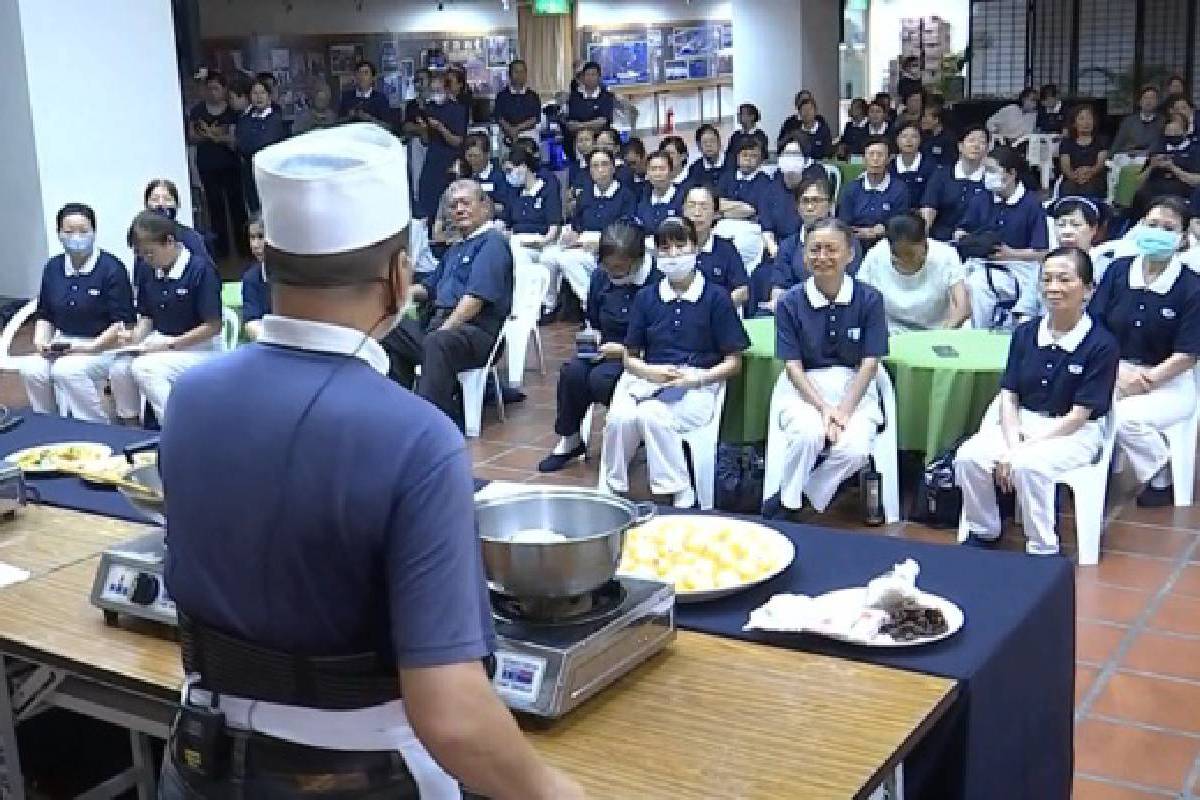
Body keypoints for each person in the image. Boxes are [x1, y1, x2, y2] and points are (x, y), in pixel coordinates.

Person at [158, 123, 583, 800]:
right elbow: (451, 715)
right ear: (398, 274)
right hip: (353, 776)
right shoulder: (414, 439)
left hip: (196, 762)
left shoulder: (190, 397)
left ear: (268, 265)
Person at [954, 247, 1119, 555]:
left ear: (1088, 289)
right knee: (968, 456)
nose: (1053, 288)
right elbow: (1009, 394)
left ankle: (1043, 547)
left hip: (1073, 432)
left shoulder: (1102, 344)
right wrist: (1013, 439)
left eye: (1064, 280)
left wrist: (1020, 451)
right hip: (1021, 422)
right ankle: (984, 530)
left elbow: (1079, 416)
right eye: (1047, 280)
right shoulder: (1026, 332)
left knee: (1029, 466)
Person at [602, 217, 749, 509]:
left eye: (680, 246)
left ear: (695, 248)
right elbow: (630, 356)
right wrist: (648, 371)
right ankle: (612, 486)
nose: (673, 255)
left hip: (697, 383)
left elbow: (734, 362)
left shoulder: (716, 298)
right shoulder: (647, 298)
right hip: (649, 377)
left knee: (652, 415)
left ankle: (679, 490)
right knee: (620, 419)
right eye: (664, 248)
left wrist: (697, 379)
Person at [762, 218, 888, 519]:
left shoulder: (870, 299)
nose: (822, 257)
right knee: (808, 435)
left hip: (855, 387)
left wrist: (842, 411)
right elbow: (792, 365)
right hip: (806, 386)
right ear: (804, 256)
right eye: (814, 250)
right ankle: (789, 505)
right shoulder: (790, 302)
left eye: (831, 249)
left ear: (850, 254)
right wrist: (823, 409)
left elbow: (870, 362)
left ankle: (805, 494)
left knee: (855, 450)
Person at [1089, 197, 1200, 507]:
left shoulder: (1192, 287)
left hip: (1170, 382)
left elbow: (1188, 354)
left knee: (1124, 418)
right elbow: (1096, 325)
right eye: (1152, 225)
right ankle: (1090, 474)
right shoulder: (1118, 271)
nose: (1158, 232)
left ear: (1182, 238)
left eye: (1168, 228)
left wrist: (1146, 380)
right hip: (1113, 369)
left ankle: (1160, 471)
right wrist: (1117, 370)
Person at [383, 179, 513, 428]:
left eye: (466, 203)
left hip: (476, 332)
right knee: (390, 327)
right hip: (439, 326)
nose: (459, 210)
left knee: (436, 342)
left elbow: (474, 300)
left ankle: (431, 423)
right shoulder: (456, 248)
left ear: (485, 207)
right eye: (453, 206)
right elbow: (429, 288)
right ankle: (399, 408)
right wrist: (397, 294)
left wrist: (444, 328)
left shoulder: (492, 244)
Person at [538, 224, 658, 472]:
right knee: (572, 371)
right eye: (608, 266)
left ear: (637, 261)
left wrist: (624, 351)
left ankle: (631, 436)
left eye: (619, 268)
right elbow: (592, 318)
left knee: (601, 379)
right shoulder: (601, 277)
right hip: (605, 347)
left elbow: (660, 336)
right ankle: (570, 439)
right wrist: (590, 338)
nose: (613, 273)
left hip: (642, 355)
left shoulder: (655, 284)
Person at [18, 203, 134, 422]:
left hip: (104, 347)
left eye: (83, 231)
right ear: (59, 234)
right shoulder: (53, 267)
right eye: (69, 232)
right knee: (32, 369)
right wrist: (41, 341)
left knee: (67, 370)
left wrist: (90, 348)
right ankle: (48, 423)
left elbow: (123, 323)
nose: (76, 237)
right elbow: (45, 314)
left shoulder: (111, 268)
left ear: (94, 232)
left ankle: (93, 425)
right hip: (64, 343)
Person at [110, 211, 223, 425]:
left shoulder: (201, 270)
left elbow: (212, 326)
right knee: (120, 368)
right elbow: (147, 316)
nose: (146, 260)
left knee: (146, 368)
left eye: (150, 253)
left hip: (199, 348)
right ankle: (131, 429)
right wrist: (134, 339)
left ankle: (173, 429)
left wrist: (167, 345)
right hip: (160, 342)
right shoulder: (147, 270)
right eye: (141, 255)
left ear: (169, 242)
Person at [957, 147, 1052, 326]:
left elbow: (1042, 252)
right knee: (954, 281)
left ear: (1011, 174)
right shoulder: (981, 198)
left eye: (992, 171)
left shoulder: (1031, 204)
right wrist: (971, 242)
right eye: (985, 171)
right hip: (980, 261)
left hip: (1018, 268)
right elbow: (961, 230)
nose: (987, 175)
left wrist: (1010, 254)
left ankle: (979, 333)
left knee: (977, 284)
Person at [542, 149, 636, 307]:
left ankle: (592, 304)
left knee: (569, 260)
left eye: (605, 164)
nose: (600, 170)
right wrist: (572, 233)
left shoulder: (625, 195)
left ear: (613, 168)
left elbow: (627, 228)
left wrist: (601, 242)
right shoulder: (585, 194)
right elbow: (577, 222)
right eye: (595, 166)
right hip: (581, 241)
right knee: (547, 256)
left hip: (609, 242)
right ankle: (549, 304)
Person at [856, 212, 969, 333]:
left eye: (913, 254)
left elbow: (962, 307)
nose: (908, 259)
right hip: (889, 330)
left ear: (925, 242)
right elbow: (859, 300)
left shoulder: (946, 255)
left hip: (936, 330)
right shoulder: (876, 255)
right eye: (902, 255)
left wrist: (945, 331)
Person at [767, 176, 864, 307]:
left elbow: (851, 284)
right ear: (797, 206)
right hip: (796, 311)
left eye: (816, 200)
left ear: (830, 205)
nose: (810, 207)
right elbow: (779, 288)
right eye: (805, 201)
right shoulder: (788, 246)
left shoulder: (849, 242)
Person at [501, 141, 563, 317]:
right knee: (517, 252)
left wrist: (542, 242)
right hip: (519, 240)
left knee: (548, 258)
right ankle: (524, 307)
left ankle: (547, 304)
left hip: (544, 240)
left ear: (523, 167)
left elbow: (554, 227)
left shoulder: (547, 189)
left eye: (510, 170)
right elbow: (505, 223)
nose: (509, 176)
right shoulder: (514, 193)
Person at [188, 70, 244, 260]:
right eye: (209, 88)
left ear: (224, 90)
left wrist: (213, 136)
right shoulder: (197, 111)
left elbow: (234, 139)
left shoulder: (232, 112)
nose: (212, 93)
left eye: (216, 88)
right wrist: (211, 136)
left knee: (237, 207)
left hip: (230, 165)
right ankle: (222, 252)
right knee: (215, 208)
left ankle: (244, 248)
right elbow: (192, 136)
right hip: (207, 165)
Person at [1130, 97, 1200, 218]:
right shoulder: (1158, 148)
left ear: (1184, 132)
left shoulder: (1194, 149)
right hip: (1153, 197)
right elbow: (1136, 183)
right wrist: (1151, 166)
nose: (1172, 134)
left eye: (1176, 131)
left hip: (1182, 197)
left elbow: (1196, 180)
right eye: (1169, 131)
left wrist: (1173, 168)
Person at [919, 125, 991, 241]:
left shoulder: (991, 179)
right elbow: (929, 208)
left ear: (987, 150)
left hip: (976, 241)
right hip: (941, 240)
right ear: (960, 146)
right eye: (971, 140)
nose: (976, 146)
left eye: (982, 142)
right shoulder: (941, 174)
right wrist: (922, 237)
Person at [683, 184, 749, 308]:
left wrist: (718, 309)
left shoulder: (726, 249)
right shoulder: (674, 247)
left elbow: (743, 291)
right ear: (683, 210)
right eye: (692, 206)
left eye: (704, 207)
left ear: (715, 214)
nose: (697, 213)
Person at [837, 137, 910, 247]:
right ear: (863, 159)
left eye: (880, 155)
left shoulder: (899, 189)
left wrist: (882, 230)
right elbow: (843, 223)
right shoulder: (851, 189)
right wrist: (860, 233)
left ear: (889, 159)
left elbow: (901, 223)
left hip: (888, 244)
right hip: (854, 242)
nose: (875, 159)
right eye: (871, 154)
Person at [414, 72, 468, 220]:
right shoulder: (429, 109)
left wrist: (440, 128)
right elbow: (425, 140)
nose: (435, 94)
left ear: (447, 90)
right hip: (432, 158)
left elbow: (457, 141)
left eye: (438, 91)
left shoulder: (457, 110)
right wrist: (423, 129)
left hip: (450, 159)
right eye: (432, 91)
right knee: (427, 197)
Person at [235, 76, 286, 213]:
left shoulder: (275, 119)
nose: (259, 97)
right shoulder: (244, 120)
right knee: (255, 212)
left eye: (262, 93)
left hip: (270, 174)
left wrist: (254, 144)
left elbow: (267, 143)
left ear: (269, 96)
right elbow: (242, 144)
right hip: (250, 175)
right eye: (255, 93)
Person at [142, 179, 212, 261]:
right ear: (146, 205)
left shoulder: (190, 237)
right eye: (155, 199)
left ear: (177, 205)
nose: (161, 204)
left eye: (167, 199)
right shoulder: (142, 239)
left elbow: (206, 270)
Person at [1057, 104, 1110, 200]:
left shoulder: (1101, 141)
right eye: (1081, 119)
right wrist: (1074, 176)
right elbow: (1065, 166)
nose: (1086, 122)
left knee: (1089, 189)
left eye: (1089, 118)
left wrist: (1089, 172)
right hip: (1072, 178)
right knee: (1068, 188)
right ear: (1074, 123)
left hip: (1095, 178)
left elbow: (1100, 164)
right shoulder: (1066, 143)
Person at [716, 138, 774, 221]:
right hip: (722, 224)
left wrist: (725, 210)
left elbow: (754, 211)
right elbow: (717, 204)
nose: (748, 159)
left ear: (761, 160)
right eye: (744, 155)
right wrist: (742, 208)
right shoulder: (727, 177)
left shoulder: (766, 182)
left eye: (753, 156)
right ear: (737, 157)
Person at [566, 61, 614, 148]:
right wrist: (590, 125)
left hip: (601, 140)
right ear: (583, 77)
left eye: (593, 74)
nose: (590, 77)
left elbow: (602, 121)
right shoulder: (574, 97)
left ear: (599, 77)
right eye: (587, 74)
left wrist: (581, 125)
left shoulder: (607, 96)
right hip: (578, 140)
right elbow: (571, 124)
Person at [635, 151, 684, 236]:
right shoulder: (641, 197)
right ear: (647, 173)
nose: (658, 174)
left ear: (671, 171)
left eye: (662, 169)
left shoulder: (683, 197)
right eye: (653, 169)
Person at [890, 122, 938, 207]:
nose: (909, 140)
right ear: (897, 140)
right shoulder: (889, 167)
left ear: (920, 140)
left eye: (914, 136)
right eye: (904, 136)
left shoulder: (931, 166)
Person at [493, 59, 541, 142]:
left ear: (526, 74)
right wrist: (510, 130)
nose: (519, 75)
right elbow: (499, 117)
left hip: (528, 135)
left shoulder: (533, 96)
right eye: (516, 72)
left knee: (521, 151)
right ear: (510, 74)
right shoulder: (501, 96)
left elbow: (535, 118)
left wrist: (517, 129)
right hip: (506, 134)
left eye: (522, 72)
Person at [463, 132, 508, 213]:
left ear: (487, 154)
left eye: (476, 156)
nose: (473, 160)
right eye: (469, 156)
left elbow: (504, 207)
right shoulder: (464, 176)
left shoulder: (499, 177)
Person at [1112, 85, 1164, 155]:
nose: (1148, 101)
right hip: (1130, 159)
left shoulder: (1162, 121)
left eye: (1152, 98)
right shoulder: (1128, 121)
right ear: (1140, 101)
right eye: (1145, 98)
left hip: (1152, 160)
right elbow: (1117, 144)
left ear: (1157, 102)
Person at [240, 217, 269, 341]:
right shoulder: (251, 278)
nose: (255, 245)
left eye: (261, 237)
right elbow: (251, 322)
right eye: (252, 237)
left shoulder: (297, 274)